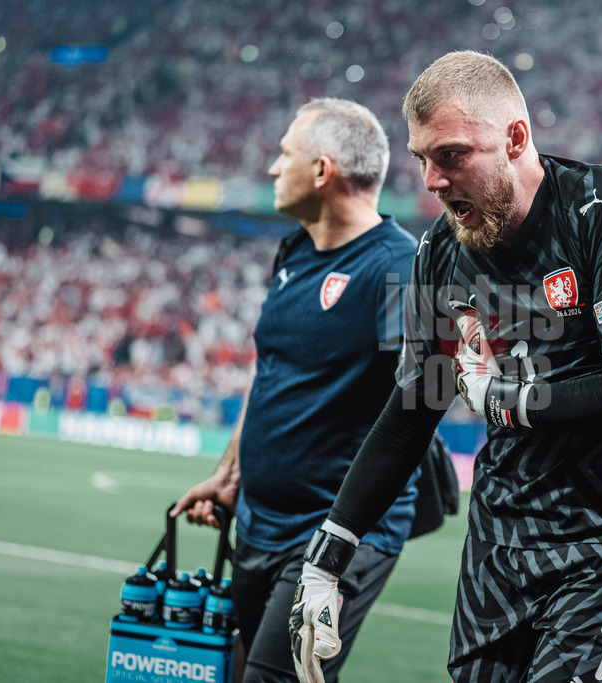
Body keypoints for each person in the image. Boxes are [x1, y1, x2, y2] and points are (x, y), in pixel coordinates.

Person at [289, 50, 602, 683]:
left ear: (515, 138)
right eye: (421, 158)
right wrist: (327, 556)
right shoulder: (438, 252)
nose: (432, 180)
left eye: (452, 155)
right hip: (499, 543)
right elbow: (413, 410)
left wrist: (502, 399)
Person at [170, 98, 423, 683]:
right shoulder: (293, 251)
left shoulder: (401, 268)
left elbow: (422, 402)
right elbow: (271, 369)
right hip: (257, 521)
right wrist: (230, 474)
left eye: (285, 154)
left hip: (336, 533)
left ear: (322, 170)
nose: (272, 168)